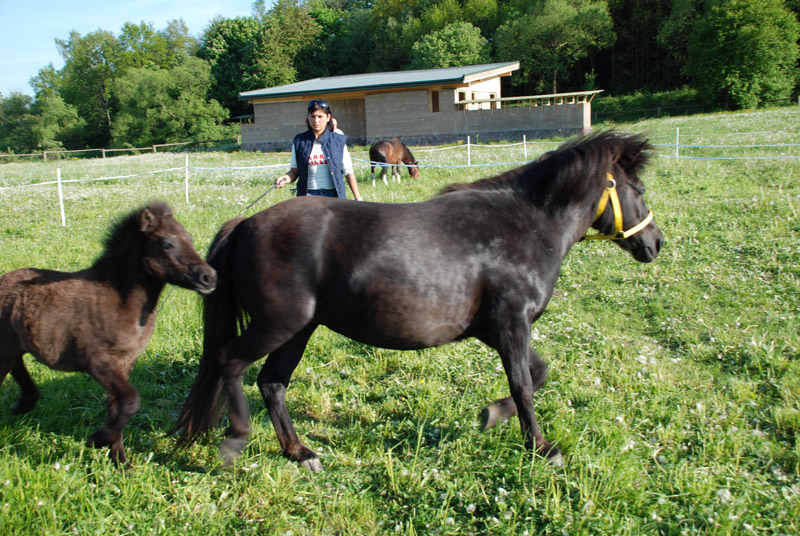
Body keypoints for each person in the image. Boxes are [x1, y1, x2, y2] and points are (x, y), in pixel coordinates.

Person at [275, 100, 362, 201]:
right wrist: (284, 179)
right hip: (307, 197)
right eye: (313, 116)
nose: (316, 120)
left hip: (334, 197)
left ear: (328, 117)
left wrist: (358, 198)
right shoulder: (299, 141)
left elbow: (348, 171)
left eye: (320, 116)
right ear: (308, 118)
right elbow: (294, 172)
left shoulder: (338, 141)